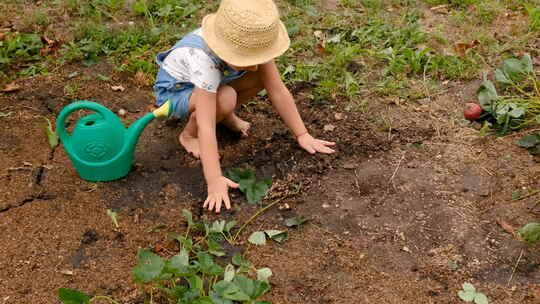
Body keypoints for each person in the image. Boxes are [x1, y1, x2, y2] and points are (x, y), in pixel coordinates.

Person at [153, 0, 336, 213]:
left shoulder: (253, 41)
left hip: (212, 83)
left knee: (261, 77)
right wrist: (214, 180)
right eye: (248, 59)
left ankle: (224, 114)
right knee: (225, 98)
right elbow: (206, 125)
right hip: (177, 91)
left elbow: (277, 90)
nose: (256, 64)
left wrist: (303, 134)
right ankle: (187, 135)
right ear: (230, 50)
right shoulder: (203, 61)